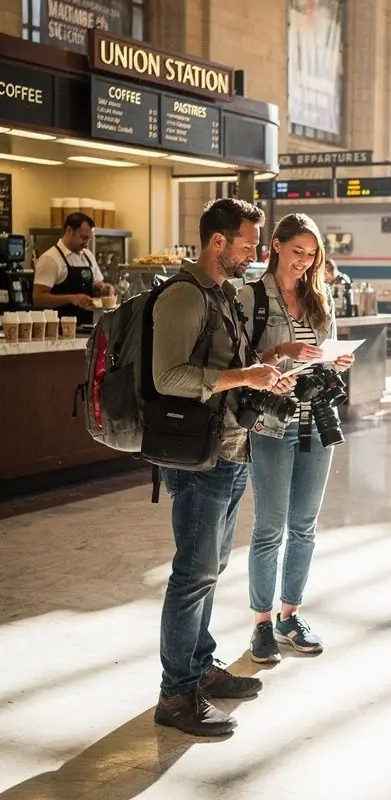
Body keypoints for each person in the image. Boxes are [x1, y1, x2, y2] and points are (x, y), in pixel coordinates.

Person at [152, 198, 292, 738]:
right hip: (198, 459)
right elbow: (169, 377)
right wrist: (242, 380)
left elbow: (228, 365)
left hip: (230, 452)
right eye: (246, 243)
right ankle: (176, 694)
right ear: (217, 242)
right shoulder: (185, 296)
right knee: (191, 575)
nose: (254, 253)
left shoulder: (222, 295)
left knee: (209, 572)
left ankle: (199, 667)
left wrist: (272, 362)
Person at [238, 213, 354, 665]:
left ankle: (291, 615)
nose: (303, 263)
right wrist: (281, 352)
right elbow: (241, 359)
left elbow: (327, 352)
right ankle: (262, 623)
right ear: (276, 248)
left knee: (304, 525)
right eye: (296, 252)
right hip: (271, 424)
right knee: (269, 527)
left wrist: (336, 362)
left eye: (311, 255)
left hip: (317, 422)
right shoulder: (252, 296)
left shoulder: (319, 299)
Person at [32, 212, 115, 317]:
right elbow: (38, 299)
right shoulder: (50, 258)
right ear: (69, 231)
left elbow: (98, 283)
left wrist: (105, 288)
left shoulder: (88, 255)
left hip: (87, 325)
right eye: (83, 238)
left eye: (89, 239)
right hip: (61, 326)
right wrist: (72, 298)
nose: (86, 244)